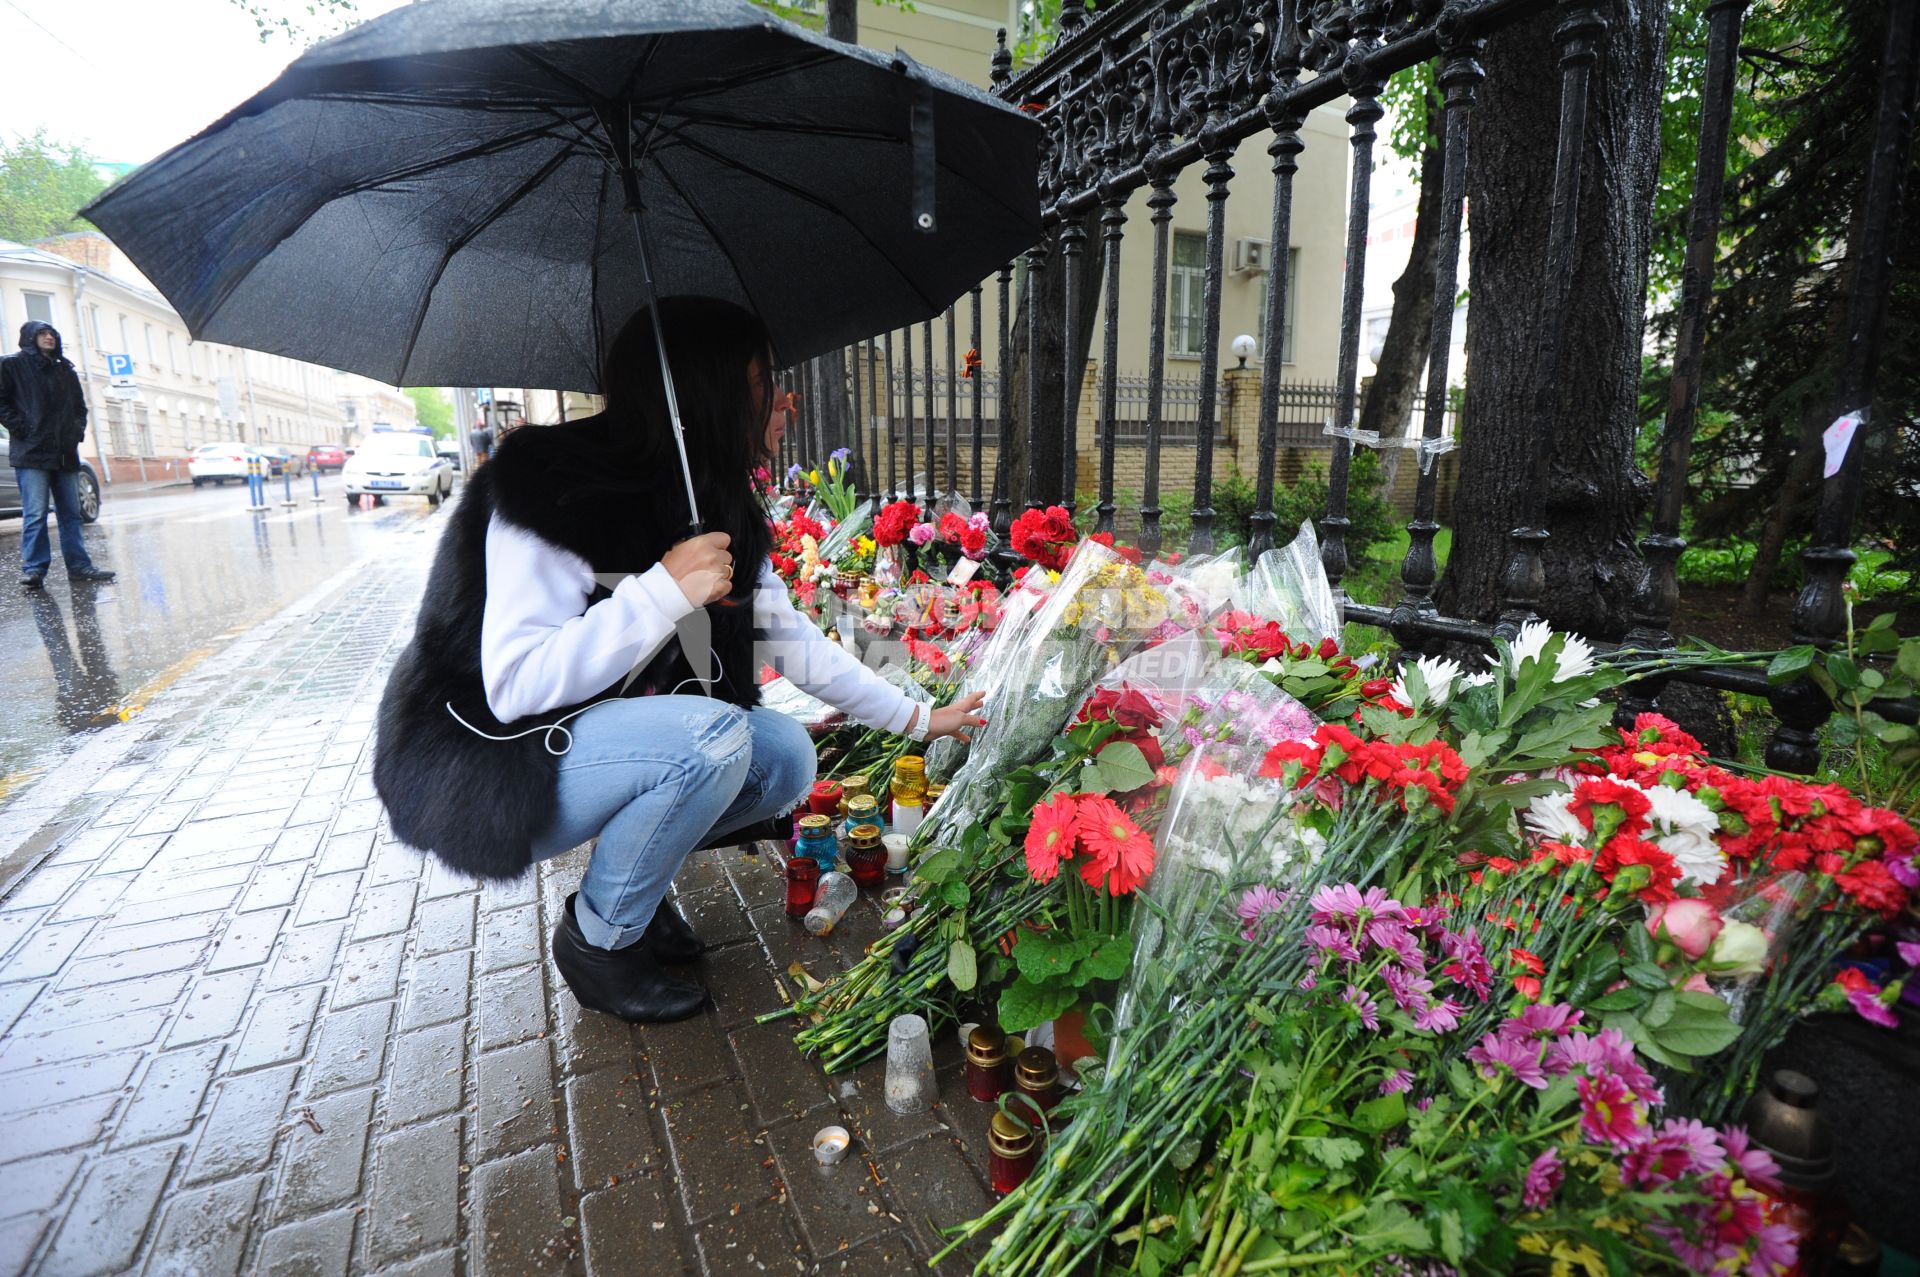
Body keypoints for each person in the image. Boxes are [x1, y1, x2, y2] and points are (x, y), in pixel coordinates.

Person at [373, 298, 984, 1024]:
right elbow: (514, 686)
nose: (785, 399)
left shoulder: (706, 495)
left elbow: (793, 643)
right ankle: (597, 942)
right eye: (762, 382)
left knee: (783, 755)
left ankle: (635, 882)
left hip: (583, 742)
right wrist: (662, 589)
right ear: (705, 392)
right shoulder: (553, 487)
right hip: (490, 766)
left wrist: (923, 717)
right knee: (712, 740)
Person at [0, 322, 115, 588]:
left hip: (65, 451)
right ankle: (34, 570)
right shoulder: (12, 366)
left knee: (71, 513)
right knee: (36, 513)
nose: (49, 337)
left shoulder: (65, 369)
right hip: (31, 452)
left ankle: (79, 566)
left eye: (52, 333)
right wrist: (21, 427)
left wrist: (76, 432)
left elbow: (79, 407)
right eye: (42, 333)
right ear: (29, 338)